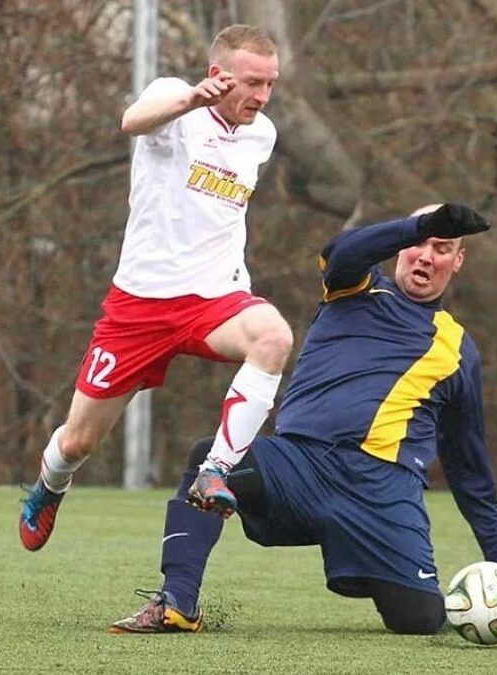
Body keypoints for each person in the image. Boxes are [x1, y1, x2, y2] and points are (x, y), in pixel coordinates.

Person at [108, 203, 497, 634]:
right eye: (420, 241)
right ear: (402, 245)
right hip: (301, 467)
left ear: (458, 261)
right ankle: (179, 603)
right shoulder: (355, 287)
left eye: (442, 247)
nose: (426, 255)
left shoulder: (459, 350)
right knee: (209, 458)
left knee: (417, 620)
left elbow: (468, 466)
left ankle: (370, 561)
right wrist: (416, 225)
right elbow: (341, 252)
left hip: (382, 492)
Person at [19, 24, 294, 551]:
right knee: (79, 440)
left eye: (270, 84)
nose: (261, 96)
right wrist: (190, 99)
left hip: (216, 297)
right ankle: (49, 486)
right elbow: (132, 121)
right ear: (219, 76)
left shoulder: (263, 134)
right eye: (252, 83)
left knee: (273, 338)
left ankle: (215, 471)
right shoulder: (175, 105)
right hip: (140, 305)